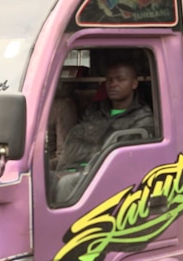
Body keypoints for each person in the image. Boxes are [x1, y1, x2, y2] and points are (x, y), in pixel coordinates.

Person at [54, 61, 155, 201]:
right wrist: (100, 150)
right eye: (109, 80)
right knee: (44, 178)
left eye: (120, 79)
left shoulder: (143, 119)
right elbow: (71, 147)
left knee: (66, 183)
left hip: (109, 177)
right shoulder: (95, 109)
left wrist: (93, 151)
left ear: (134, 84)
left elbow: (117, 159)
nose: (113, 84)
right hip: (75, 168)